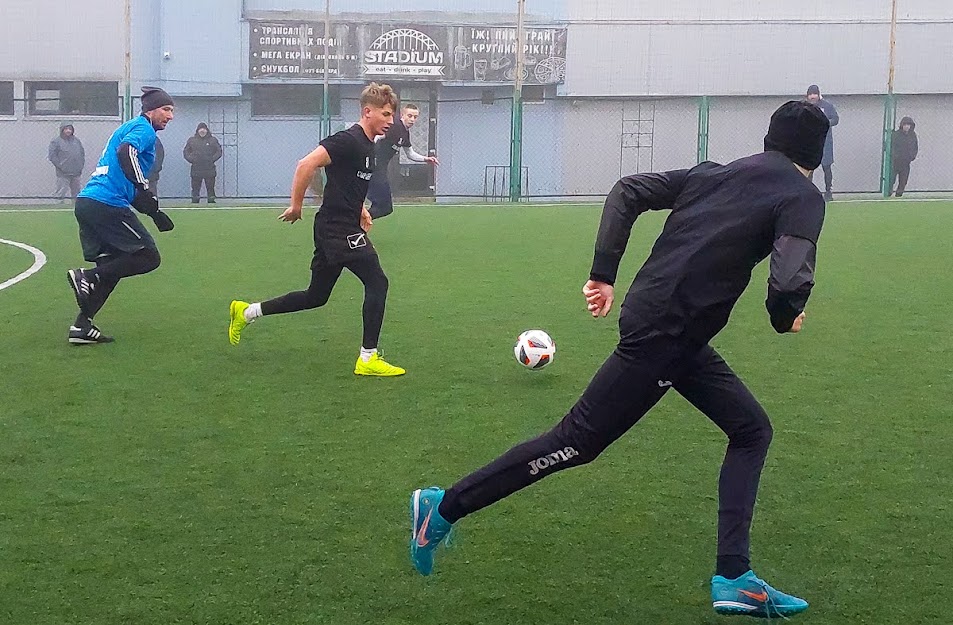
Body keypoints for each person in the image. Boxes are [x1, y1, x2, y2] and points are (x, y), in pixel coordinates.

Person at [408, 101, 831, 620]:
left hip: (670, 327)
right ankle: (443, 507)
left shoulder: (714, 173)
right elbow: (789, 278)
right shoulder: (802, 195)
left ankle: (734, 576)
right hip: (667, 336)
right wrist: (785, 315)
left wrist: (604, 272)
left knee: (750, 429)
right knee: (576, 441)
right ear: (817, 150)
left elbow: (628, 189)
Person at [228, 83, 406, 377]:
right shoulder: (348, 140)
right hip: (337, 230)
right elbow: (306, 164)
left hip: (338, 226)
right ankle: (368, 358)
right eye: (386, 114)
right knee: (378, 282)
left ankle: (247, 312)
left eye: (392, 115)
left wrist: (360, 209)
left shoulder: (369, 146)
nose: (390, 120)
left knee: (316, 296)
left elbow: (349, 182)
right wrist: (296, 206)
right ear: (367, 111)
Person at [65, 87, 176, 345]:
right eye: (166, 110)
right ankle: (87, 277)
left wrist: (154, 212)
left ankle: (82, 326)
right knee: (148, 257)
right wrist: (143, 186)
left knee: (111, 268)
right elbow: (126, 153)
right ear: (150, 110)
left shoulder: (128, 127)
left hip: (88, 203)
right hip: (107, 204)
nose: (170, 116)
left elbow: (122, 174)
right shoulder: (144, 129)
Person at [367, 103, 438, 219]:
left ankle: (357, 224)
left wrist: (426, 159)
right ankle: (356, 225)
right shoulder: (395, 126)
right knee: (384, 207)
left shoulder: (404, 133)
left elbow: (410, 154)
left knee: (383, 207)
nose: (412, 119)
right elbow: (376, 137)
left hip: (379, 170)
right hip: (374, 168)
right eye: (409, 116)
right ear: (402, 115)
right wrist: (368, 156)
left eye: (415, 117)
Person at [805, 85, 838, 201]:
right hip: (809, 144)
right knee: (809, 168)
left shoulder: (827, 106)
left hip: (825, 143)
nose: (813, 96)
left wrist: (825, 122)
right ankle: (808, 192)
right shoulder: (804, 107)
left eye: (815, 94)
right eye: (811, 94)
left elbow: (835, 119)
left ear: (819, 95)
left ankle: (828, 191)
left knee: (827, 167)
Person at [183, 122, 222, 203]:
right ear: (197, 130)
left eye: (204, 129)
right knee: (195, 188)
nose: (202, 131)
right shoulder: (192, 140)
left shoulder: (213, 140)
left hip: (209, 169)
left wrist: (212, 159)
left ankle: (211, 201)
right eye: (200, 129)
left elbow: (219, 151)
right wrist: (191, 159)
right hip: (196, 169)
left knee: (210, 187)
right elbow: (186, 152)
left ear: (207, 130)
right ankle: (195, 201)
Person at [48, 122, 85, 203]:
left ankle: (75, 208)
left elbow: (82, 154)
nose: (68, 131)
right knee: (61, 193)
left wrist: (80, 166)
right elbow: (52, 156)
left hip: (76, 172)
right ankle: (58, 208)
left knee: (76, 193)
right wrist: (61, 166)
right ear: (62, 130)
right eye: (66, 129)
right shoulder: (56, 142)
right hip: (63, 173)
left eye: (70, 129)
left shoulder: (77, 141)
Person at [891, 116, 918, 197]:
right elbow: (892, 146)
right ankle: (888, 194)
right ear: (902, 125)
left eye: (908, 125)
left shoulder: (913, 135)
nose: (907, 126)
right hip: (895, 162)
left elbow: (915, 147)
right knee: (891, 179)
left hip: (906, 162)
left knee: (903, 181)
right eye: (905, 124)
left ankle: (899, 195)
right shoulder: (896, 135)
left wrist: (912, 156)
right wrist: (895, 156)